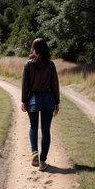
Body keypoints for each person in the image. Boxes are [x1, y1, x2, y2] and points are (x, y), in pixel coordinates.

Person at [21, 38, 60, 171]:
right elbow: (55, 85)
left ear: (34, 48)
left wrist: (23, 101)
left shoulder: (28, 65)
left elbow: (25, 86)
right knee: (46, 131)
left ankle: (34, 152)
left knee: (33, 127)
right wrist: (57, 102)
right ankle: (42, 161)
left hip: (32, 99)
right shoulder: (50, 65)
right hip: (48, 99)